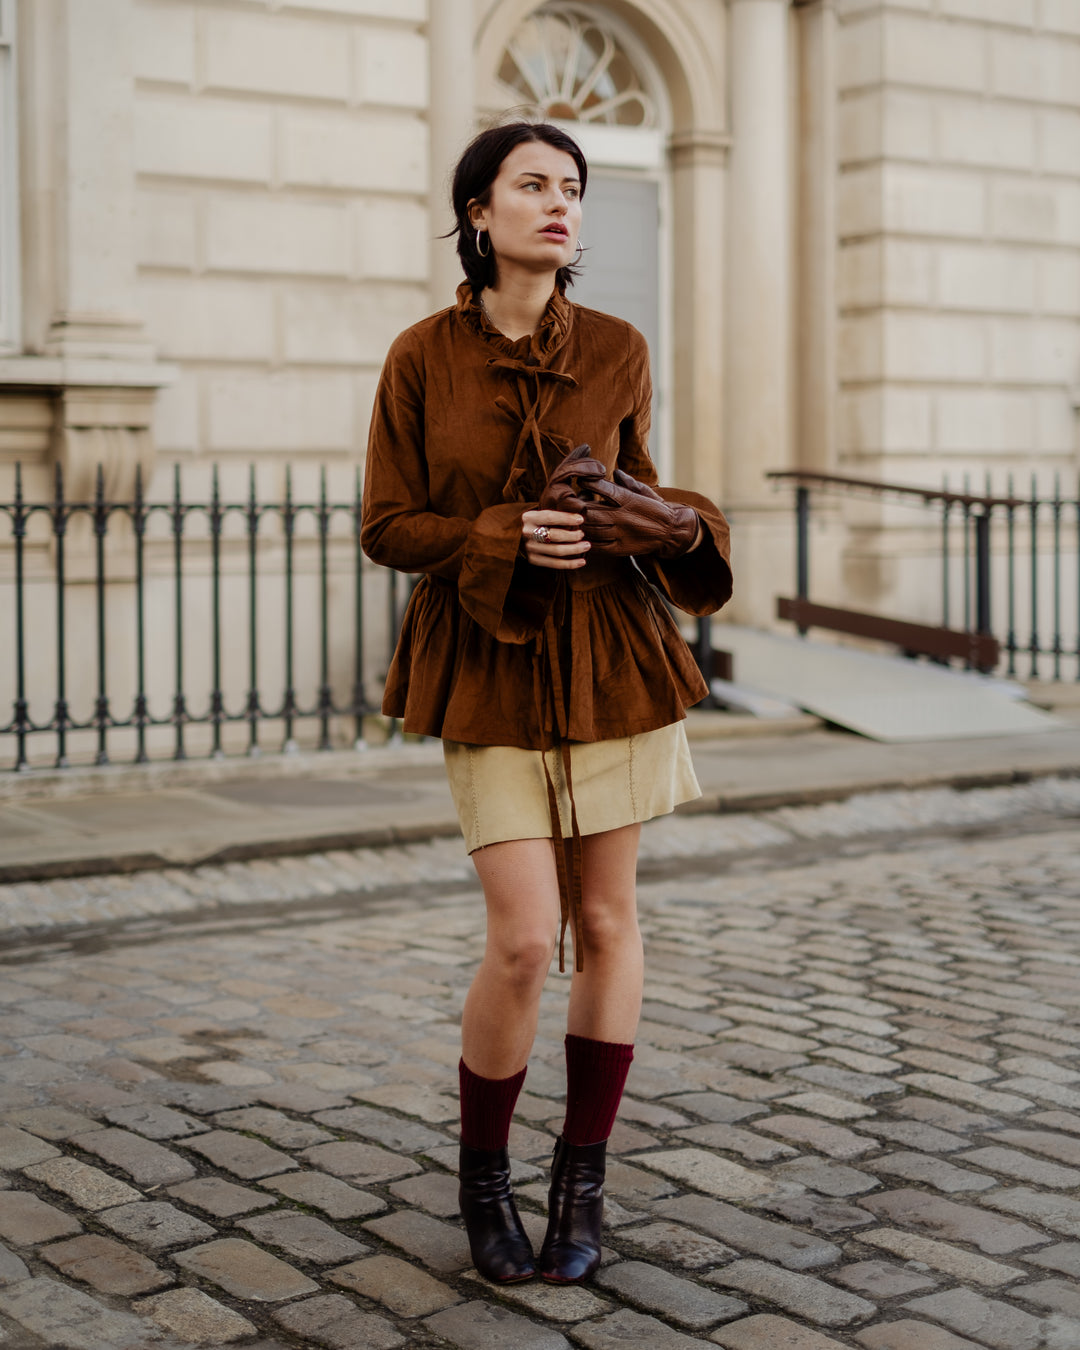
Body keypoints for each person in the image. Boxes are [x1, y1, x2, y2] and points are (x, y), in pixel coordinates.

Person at [361, 120, 732, 1286]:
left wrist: (666, 520)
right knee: (526, 939)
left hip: (612, 659)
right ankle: (486, 1180)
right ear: (480, 212)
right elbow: (386, 526)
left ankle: (584, 1178)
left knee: (611, 926)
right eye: (533, 185)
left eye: (573, 187)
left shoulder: (619, 346)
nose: (560, 203)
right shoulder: (421, 355)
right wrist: (499, 531)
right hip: (485, 658)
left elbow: (645, 484)